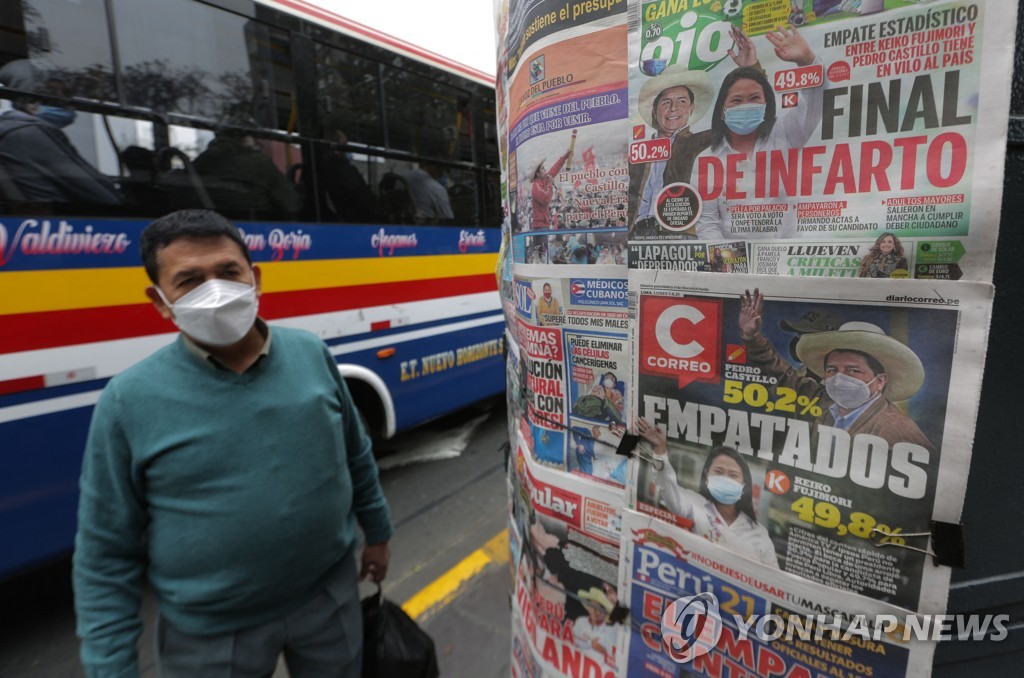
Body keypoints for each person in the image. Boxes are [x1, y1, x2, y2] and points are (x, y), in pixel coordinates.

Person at [73, 209, 392, 677]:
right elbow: (104, 553)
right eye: (189, 281)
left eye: (227, 272)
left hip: (329, 599)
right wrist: (110, 668)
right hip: (209, 633)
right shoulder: (128, 401)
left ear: (254, 278)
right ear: (161, 301)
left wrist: (379, 534)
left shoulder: (310, 353)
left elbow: (355, 452)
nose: (215, 292)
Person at [739, 288, 934, 451]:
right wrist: (753, 338)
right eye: (832, 369)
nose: (840, 378)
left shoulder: (898, 433)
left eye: (853, 370)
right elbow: (781, 376)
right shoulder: (824, 400)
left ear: (880, 381)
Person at [628, 26, 760, 238]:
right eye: (666, 102)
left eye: (682, 101)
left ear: (691, 109)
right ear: (655, 109)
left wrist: (752, 70)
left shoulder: (703, 141)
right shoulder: (637, 153)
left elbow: (751, 125)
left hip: (682, 234)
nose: (674, 109)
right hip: (638, 235)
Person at [694, 25, 822, 240]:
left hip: (787, 260)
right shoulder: (707, 159)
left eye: (754, 99)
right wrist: (729, 262)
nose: (746, 106)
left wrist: (807, 60)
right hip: (735, 263)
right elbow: (707, 221)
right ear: (722, 110)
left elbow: (817, 103)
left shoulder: (785, 133)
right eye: (736, 100)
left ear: (766, 104)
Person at [635, 423, 779, 568]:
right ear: (707, 475)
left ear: (744, 484)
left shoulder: (759, 535)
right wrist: (660, 449)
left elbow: (775, 584)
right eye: (718, 472)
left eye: (733, 475)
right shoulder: (695, 505)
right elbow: (667, 487)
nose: (725, 479)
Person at [0, 59, 122, 205]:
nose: (62, 98)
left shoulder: (13, 129)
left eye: (64, 92)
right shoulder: (28, 132)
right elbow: (102, 195)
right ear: (27, 100)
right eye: (51, 92)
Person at [192, 130, 302, 217]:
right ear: (245, 138)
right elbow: (292, 206)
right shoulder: (259, 162)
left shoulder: (199, 163)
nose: (258, 144)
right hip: (262, 232)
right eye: (255, 138)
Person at [530, 140, 573, 231]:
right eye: (542, 168)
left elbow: (554, 169)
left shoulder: (543, 180)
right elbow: (546, 200)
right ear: (537, 173)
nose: (545, 169)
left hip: (544, 224)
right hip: (540, 226)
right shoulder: (536, 187)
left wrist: (565, 157)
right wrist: (550, 184)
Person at [574, 587, 618, 665]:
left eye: (600, 609)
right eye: (592, 607)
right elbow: (571, 638)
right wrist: (590, 643)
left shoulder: (610, 631)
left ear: (605, 613)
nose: (595, 612)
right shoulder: (580, 621)